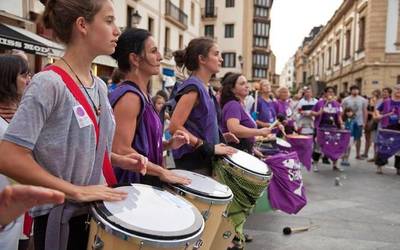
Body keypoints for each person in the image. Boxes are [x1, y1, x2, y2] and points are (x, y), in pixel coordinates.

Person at [0, 1, 148, 249]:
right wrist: (75, 190)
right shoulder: (48, 84)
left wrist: (115, 159)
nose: (117, 31)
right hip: (61, 221)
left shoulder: (99, 86)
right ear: (83, 25)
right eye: (109, 20)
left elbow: (68, 149)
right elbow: (9, 156)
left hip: (95, 213)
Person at [109, 28, 190, 186]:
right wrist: (161, 172)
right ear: (135, 59)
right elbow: (120, 150)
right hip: (130, 187)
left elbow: (141, 146)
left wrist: (168, 144)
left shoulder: (142, 94)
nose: (160, 57)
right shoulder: (130, 97)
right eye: (153, 51)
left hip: (142, 184)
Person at [169, 37, 237, 176]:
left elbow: (198, 125)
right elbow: (174, 127)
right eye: (216, 54)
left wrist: (219, 138)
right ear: (202, 59)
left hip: (203, 159)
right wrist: (206, 146)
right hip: (193, 162)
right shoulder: (193, 88)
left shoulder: (205, 88)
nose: (221, 59)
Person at [0, 54, 30, 250]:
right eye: (23, 75)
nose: (29, 80)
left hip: (20, 211)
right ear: (8, 79)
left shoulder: (23, 116)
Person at [220, 73, 271, 155]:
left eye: (246, 83)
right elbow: (234, 129)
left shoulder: (239, 104)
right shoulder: (233, 105)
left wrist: (253, 149)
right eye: (242, 84)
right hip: (236, 154)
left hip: (243, 152)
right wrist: (259, 132)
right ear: (232, 89)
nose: (247, 86)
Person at [311, 86, 344, 171]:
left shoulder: (337, 104)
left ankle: (335, 165)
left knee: (335, 146)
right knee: (318, 146)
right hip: (321, 128)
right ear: (325, 93)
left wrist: (341, 123)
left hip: (333, 128)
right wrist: (319, 112)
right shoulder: (320, 103)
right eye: (329, 92)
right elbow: (312, 112)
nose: (330, 93)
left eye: (332, 92)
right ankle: (315, 164)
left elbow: (339, 115)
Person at [374, 85, 400, 175]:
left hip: (398, 129)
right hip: (387, 127)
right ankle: (379, 166)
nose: (398, 91)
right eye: (397, 89)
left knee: (399, 149)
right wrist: (378, 115)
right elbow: (377, 109)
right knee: (384, 146)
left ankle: (399, 168)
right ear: (393, 91)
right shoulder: (387, 102)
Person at [341, 85, 368, 159]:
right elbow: (342, 111)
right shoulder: (345, 100)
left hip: (359, 122)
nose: (355, 91)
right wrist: (341, 121)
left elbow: (365, 111)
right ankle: (345, 154)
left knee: (358, 138)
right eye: (353, 89)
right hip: (348, 122)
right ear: (351, 90)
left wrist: (364, 122)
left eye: (356, 89)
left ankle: (358, 154)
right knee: (347, 138)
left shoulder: (363, 100)